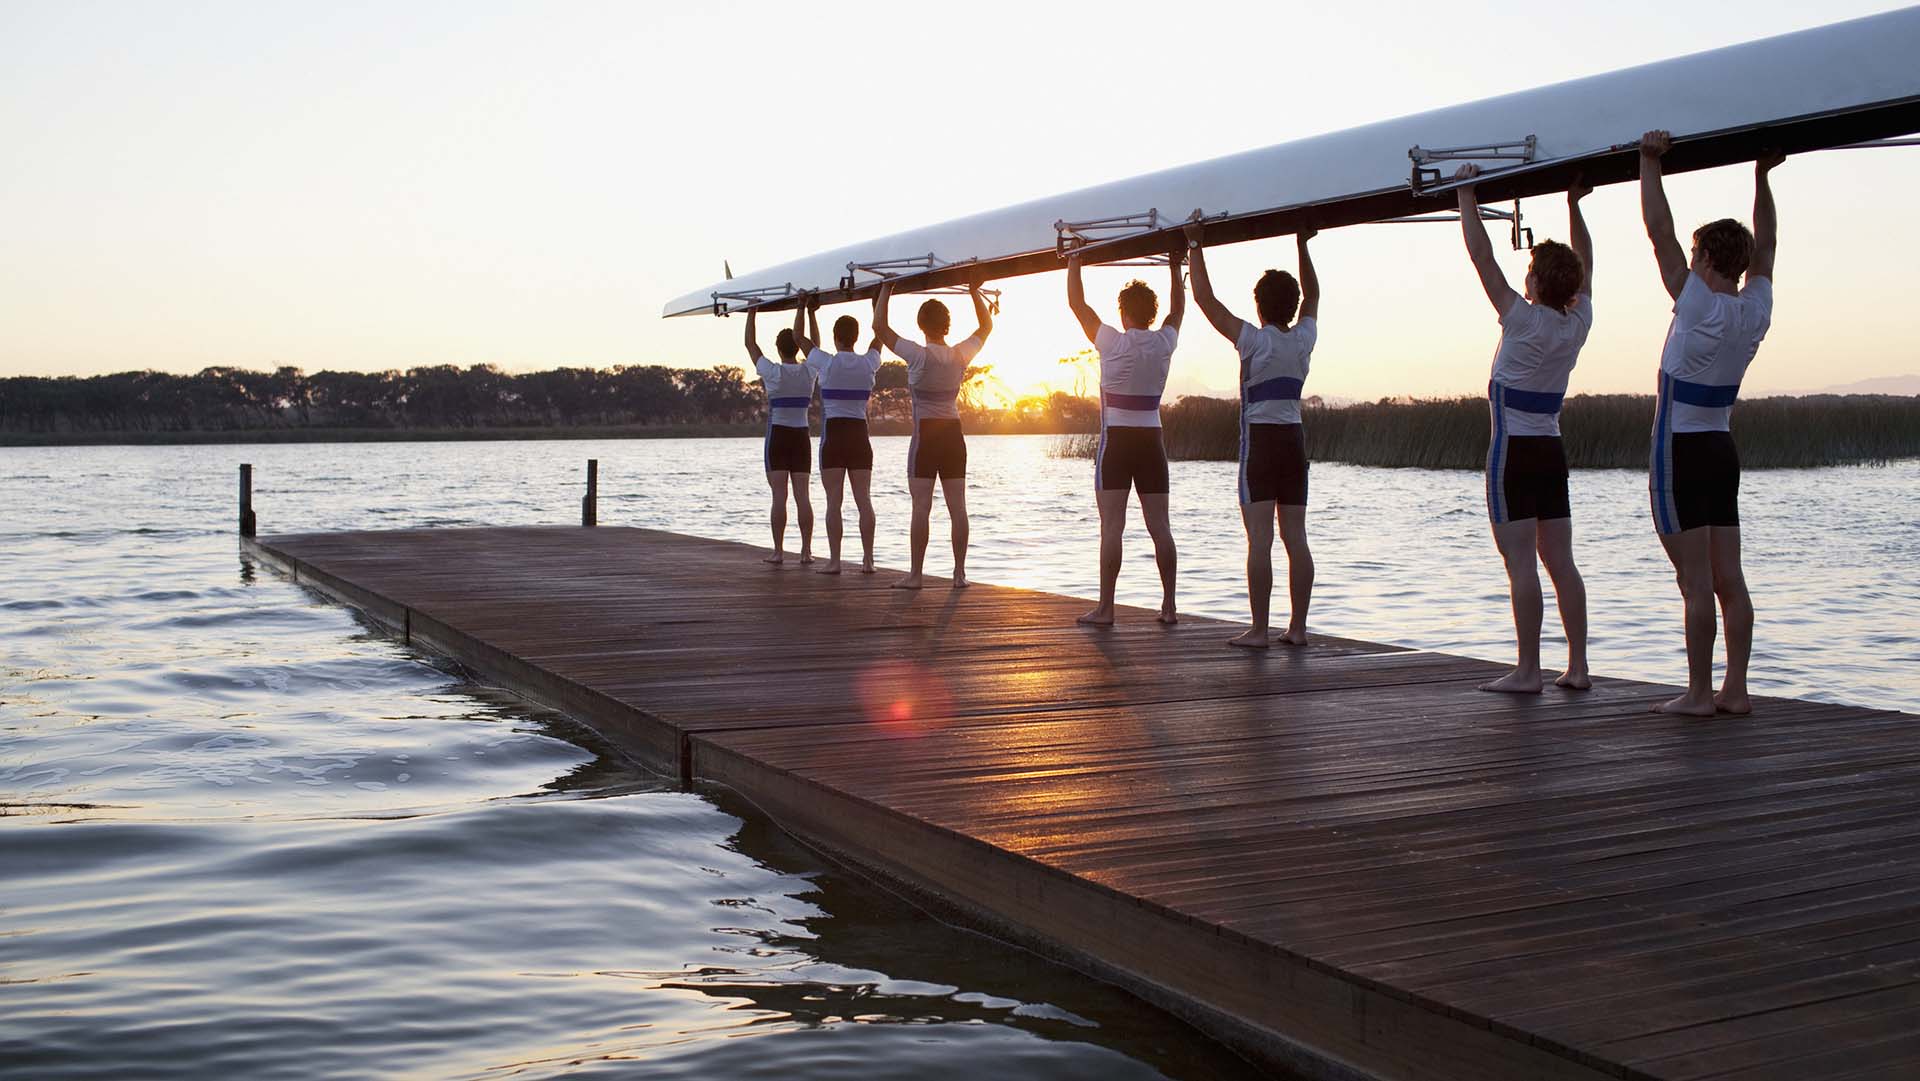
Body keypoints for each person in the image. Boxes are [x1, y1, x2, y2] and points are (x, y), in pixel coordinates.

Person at [1639, 129, 1782, 716]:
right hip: (1722, 450)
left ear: (1703, 260)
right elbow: (1767, 247)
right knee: (1730, 580)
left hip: (1679, 452)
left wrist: (1649, 163)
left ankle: (1699, 694)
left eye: (1694, 255)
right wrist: (1762, 176)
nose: (1688, 261)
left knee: (1695, 583)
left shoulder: (1695, 301)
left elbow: (1658, 233)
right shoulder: (1755, 309)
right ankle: (1736, 691)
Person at [1452, 163, 1595, 694]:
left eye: (1530, 271)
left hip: (1512, 455)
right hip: (1551, 453)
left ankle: (1530, 671)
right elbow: (1588, 266)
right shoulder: (1578, 322)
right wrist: (1575, 205)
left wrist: (1466, 194)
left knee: (1521, 566)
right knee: (1561, 563)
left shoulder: (1520, 316)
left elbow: (1482, 257)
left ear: (1533, 284)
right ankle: (1578, 667)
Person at [1184, 217, 1320, 648]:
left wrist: (1194, 244)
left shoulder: (1254, 342)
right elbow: (1314, 294)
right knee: (1295, 538)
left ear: (1259, 307)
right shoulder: (1303, 339)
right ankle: (1297, 629)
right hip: (1295, 445)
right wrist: (1303, 244)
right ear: (1292, 307)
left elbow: (1205, 300)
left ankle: (1260, 631)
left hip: (1260, 447)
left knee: (1259, 542)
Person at [1065, 246, 1185, 626]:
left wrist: (1074, 260)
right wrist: (1175, 266)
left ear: (1123, 313)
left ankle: (1106, 608)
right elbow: (1177, 311)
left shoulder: (1112, 342)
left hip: (1116, 442)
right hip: (1152, 442)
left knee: (1112, 527)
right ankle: (1169, 607)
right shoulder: (1165, 342)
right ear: (1150, 314)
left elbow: (1076, 303)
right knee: (1160, 527)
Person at [871, 275, 992, 589]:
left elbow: (880, 329)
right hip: (953, 436)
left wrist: (886, 289)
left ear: (922, 325)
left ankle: (915, 576)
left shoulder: (917, 354)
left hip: (926, 436)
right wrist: (974, 291)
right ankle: (959, 574)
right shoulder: (959, 354)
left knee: (921, 507)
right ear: (947, 326)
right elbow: (986, 327)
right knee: (958, 507)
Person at [795, 297, 883, 574]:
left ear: (836, 338)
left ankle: (835, 561)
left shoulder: (827, 364)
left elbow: (799, 338)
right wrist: (879, 300)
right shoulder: (869, 363)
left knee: (834, 501)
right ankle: (868, 561)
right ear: (856, 338)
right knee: (863, 500)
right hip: (859, 435)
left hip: (834, 435)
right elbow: (880, 332)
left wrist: (803, 307)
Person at [743, 305, 816, 565]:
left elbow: (750, 344)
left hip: (778, 437)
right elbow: (814, 346)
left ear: (777, 348)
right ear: (797, 347)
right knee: (802, 496)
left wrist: (752, 312)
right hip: (801, 437)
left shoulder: (772, 372)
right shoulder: (809, 371)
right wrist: (809, 312)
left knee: (779, 496)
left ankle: (779, 551)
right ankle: (806, 552)